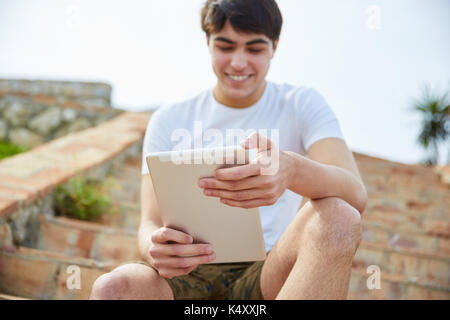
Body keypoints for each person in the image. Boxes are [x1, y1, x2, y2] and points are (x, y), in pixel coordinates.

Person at [90, 0, 367, 300]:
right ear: (207, 41)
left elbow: (355, 194)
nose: (238, 62)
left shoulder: (301, 104)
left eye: (254, 49)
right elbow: (150, 222)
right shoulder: (169, 119)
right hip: (185, 273)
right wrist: (154, 247)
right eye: (225, 46)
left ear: (274, 46)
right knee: (111, 289)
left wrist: (293, 170)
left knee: (339, 217)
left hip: (270, 269)